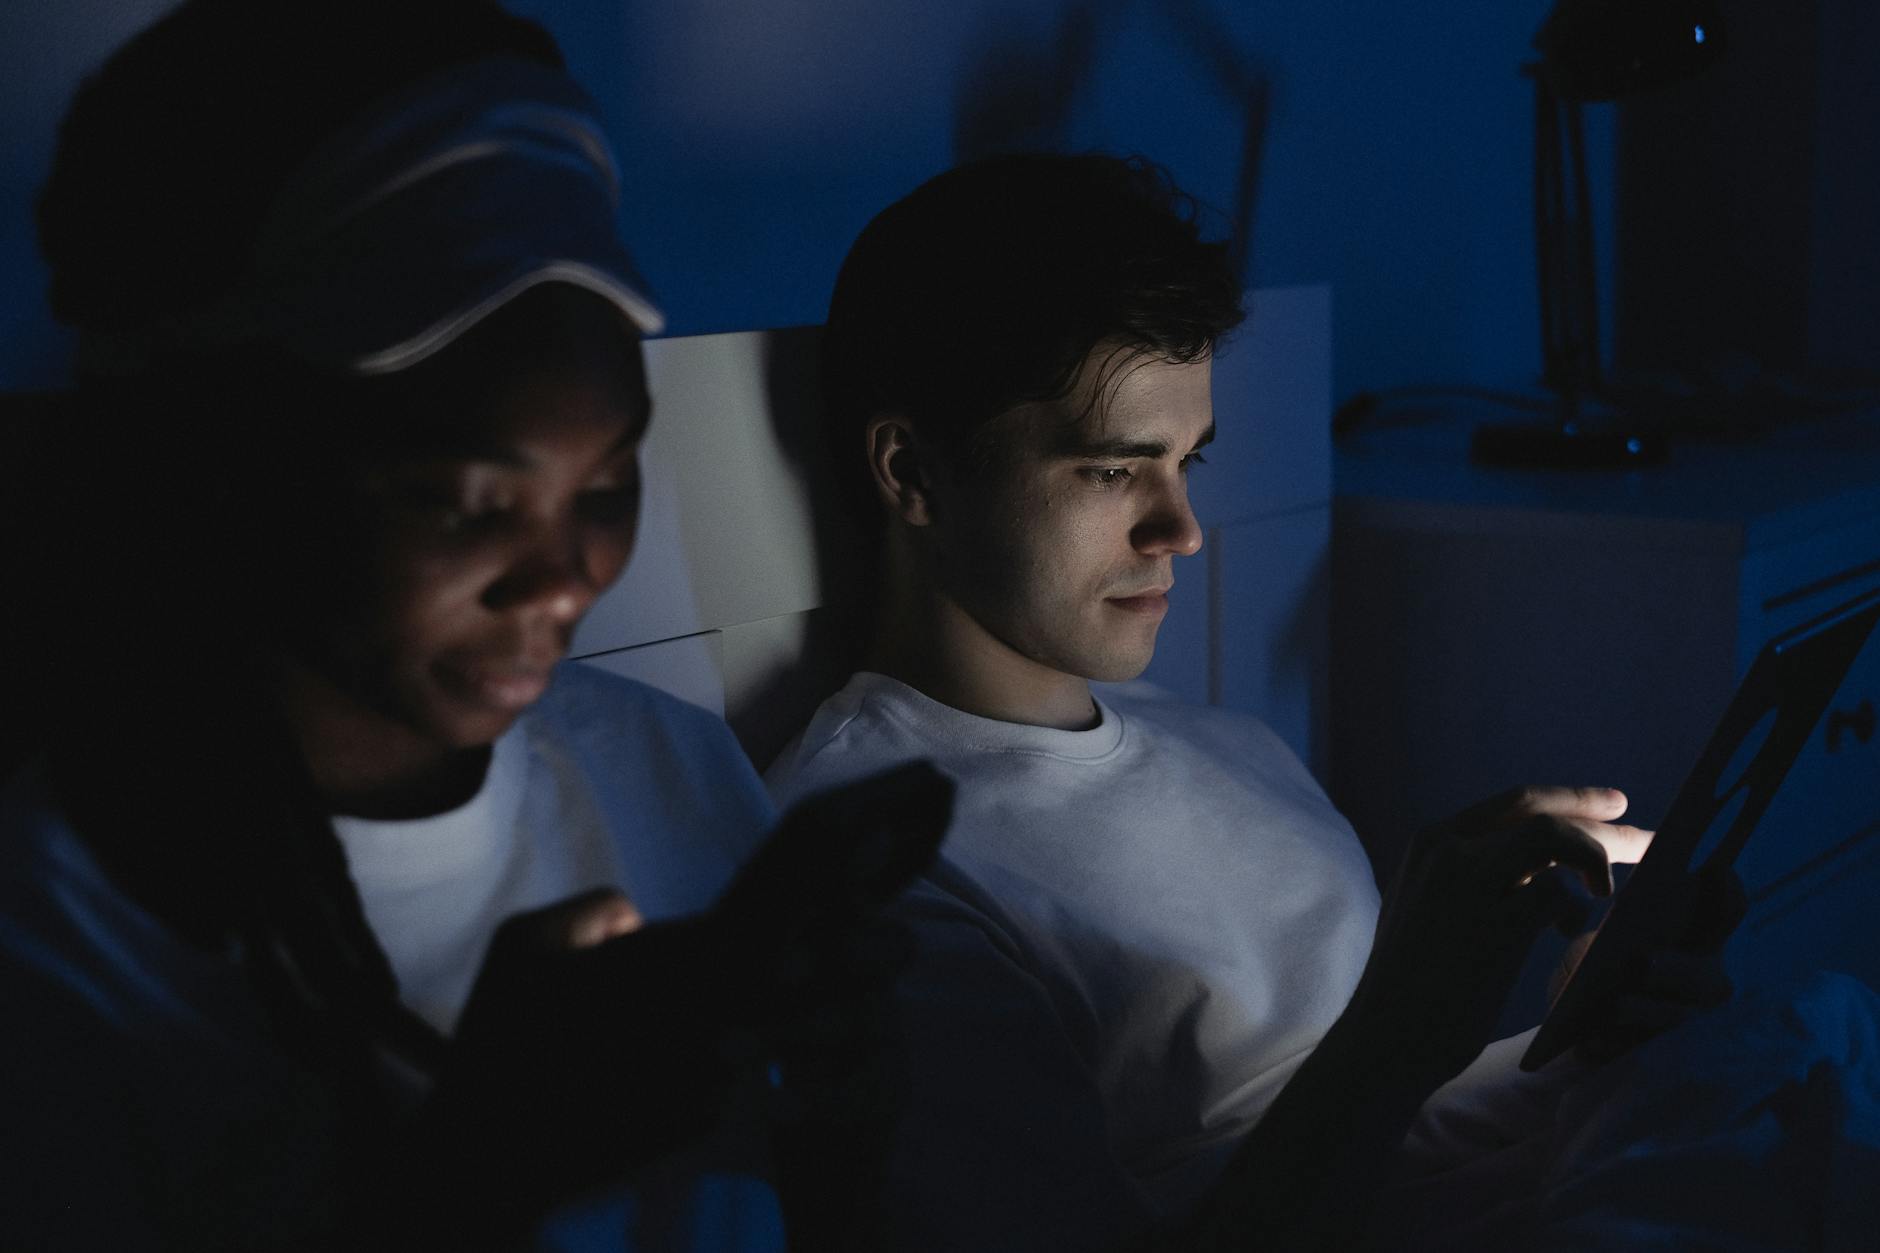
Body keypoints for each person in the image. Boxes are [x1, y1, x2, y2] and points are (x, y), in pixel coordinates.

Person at [0, 3, 945, 1249]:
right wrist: (475, 1169)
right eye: (463, 499)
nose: (562, 578)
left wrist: (840, 1139)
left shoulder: (660, 768)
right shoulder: (57, 952)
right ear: (221, 454)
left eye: (605, 482)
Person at [765, 153, 1764, 1251]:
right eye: (1111, 470)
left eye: (1187, 461)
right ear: (910, 473)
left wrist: (1574, 1046)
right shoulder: (874, 859)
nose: (1179, 529)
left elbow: (1379, 1122)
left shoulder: (1223, 743)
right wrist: (1403, 1018)